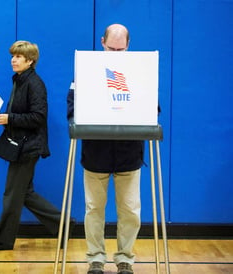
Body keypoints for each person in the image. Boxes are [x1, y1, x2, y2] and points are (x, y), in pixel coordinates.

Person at [0, 40, 73, 251]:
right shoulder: (21, 80)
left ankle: (3, 241)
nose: (13, 60)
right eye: (13, 56)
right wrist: (5, 118)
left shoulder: (34, 84)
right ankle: (64, 225)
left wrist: (9, 119)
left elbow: (38, 117)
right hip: (23, 145)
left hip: (28, 146)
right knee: (24, 193)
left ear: (30, 61)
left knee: (12, 194)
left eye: (18, 57)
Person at [67, 24, 142, 274]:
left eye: (121, 49)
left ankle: (125, 259)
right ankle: (95, 259)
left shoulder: (140, 73)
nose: (116, 53)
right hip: (96, 154)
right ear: (102, 42)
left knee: (130, 211)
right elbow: (71, 109)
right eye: (112, 48)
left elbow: (153, 109)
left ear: (128, 46)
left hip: (129, 154)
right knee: (94, 210)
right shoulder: (85, 72)